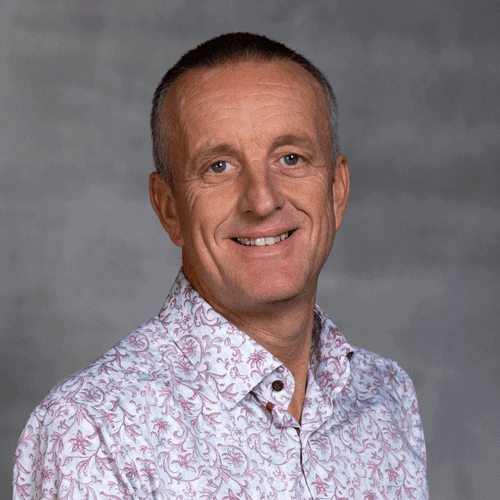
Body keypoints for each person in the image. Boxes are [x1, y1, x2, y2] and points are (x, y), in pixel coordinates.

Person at [13, 33, 428, 499]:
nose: (262, 200)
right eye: (219, 167)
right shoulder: (93, 427)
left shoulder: (387, 397)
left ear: (336, 191)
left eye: (291, 158)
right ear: (169, 208)